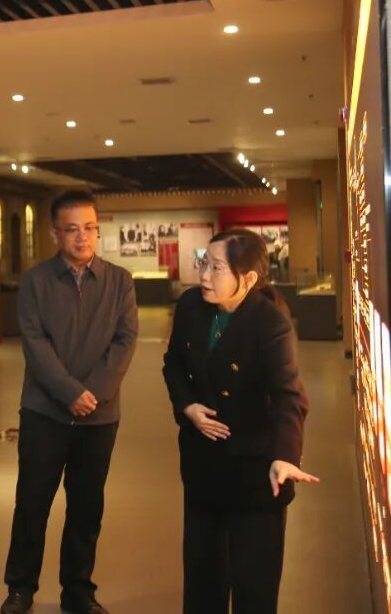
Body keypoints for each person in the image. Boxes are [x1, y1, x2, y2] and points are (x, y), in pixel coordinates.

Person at [163, 229, 316, 614]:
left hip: (255, 471)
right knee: (203, 581)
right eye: (204, 264)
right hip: (204, 466)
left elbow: (289, 396)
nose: (203, 276)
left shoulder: (271, 323)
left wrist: (285, 457)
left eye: (216, 268)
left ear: (247, 279)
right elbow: (174, 364)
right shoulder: (191, 307)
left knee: (254, 585)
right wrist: (188, 406)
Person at [0, 190, 138, 614]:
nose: (83, 237)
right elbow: (34, 342)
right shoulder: (36, 281)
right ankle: (21, 588)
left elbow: (125, 340)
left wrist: (94, 393)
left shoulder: (119, 280)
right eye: (73, 229)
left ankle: (78, 591)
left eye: (90, 228)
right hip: (45, 411)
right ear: (55, 234)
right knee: (32, 503)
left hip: (100, 415)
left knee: (86, 506)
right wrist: (69, 392)